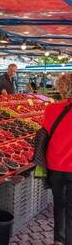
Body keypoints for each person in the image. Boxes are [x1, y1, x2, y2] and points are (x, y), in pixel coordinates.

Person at [42, 73, 72, 245]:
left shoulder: (51, 109)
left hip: (56, 167)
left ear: (62, 88)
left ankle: (58, 241)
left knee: (59, 205)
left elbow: (44, 133)